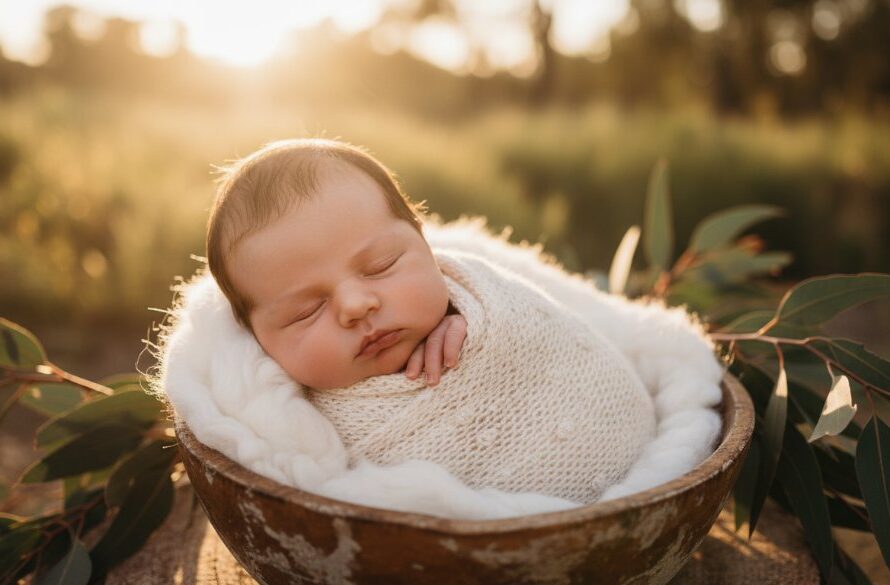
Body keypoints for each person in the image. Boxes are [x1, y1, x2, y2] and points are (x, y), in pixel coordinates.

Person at [206, 138, 468, 390]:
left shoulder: (478, 311)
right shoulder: (262, 413)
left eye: (381, 266)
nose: (355, 306)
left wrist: (467, 317)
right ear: (256, 338)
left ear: (423, 239)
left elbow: (504, 297)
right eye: (306, 311)